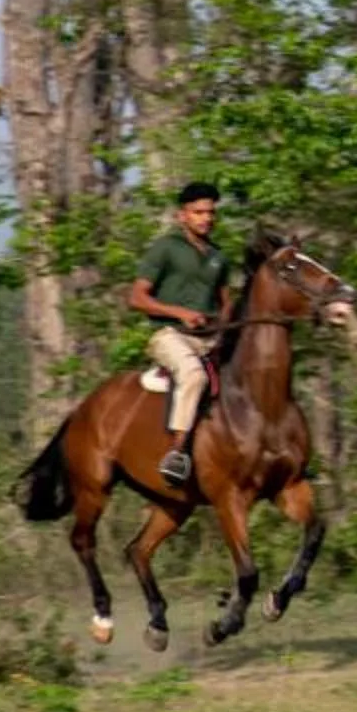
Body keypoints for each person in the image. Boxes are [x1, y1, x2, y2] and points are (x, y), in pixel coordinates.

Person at [126, 180, 233, 486]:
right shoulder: (165, 248)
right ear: (182, 215)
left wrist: (224, 327)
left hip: (209, 337)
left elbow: (227, 303)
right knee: (194, 375)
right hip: (169, 335)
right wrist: (181, 313)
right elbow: (137, 298)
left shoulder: (219, 256)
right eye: (198, 212)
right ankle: (177, 453)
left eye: (210, 213)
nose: (206, 219)